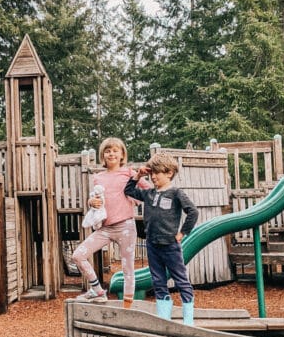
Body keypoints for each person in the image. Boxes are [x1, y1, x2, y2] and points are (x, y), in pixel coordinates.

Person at [72, 138, 151, 308]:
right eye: (108, 151)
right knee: (78, 255)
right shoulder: (98, 177)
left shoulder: (129, 173)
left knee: (128, 269)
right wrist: (90, 202)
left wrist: (136, 200)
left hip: (126, 227)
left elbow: (148, 191)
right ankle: (98, 291)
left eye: (115, 150)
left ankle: (127, 308)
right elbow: (95, 197)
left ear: (122, 154)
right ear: (103, 155)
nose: (111, 154)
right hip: (105, 228)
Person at [125, 152, 199, 325]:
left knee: (181, 280)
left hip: (170, 245)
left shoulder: (176, 193)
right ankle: (164, 317)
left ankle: (188, 319)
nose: (153, 176)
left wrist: (182, 233)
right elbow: (128, 191)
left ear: (169, 173)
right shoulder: (148, 194)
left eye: (156, 173)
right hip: (152, 244)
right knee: (158, 280)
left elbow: (193, 212)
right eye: (151, 173)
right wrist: (138, 175)